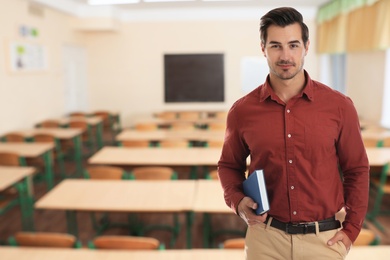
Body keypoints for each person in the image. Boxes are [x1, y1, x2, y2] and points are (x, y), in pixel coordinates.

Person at [217, 7, 369, 260]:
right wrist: (238, 201)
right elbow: (228, 165)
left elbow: (357, 169)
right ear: (263, 48)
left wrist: (352, 229)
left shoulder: (339, 106)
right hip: (265, 238)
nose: (285, 55)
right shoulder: (242, 111)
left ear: (306, 47)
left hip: (324, 240)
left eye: (293, 45)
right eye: (276, 46)